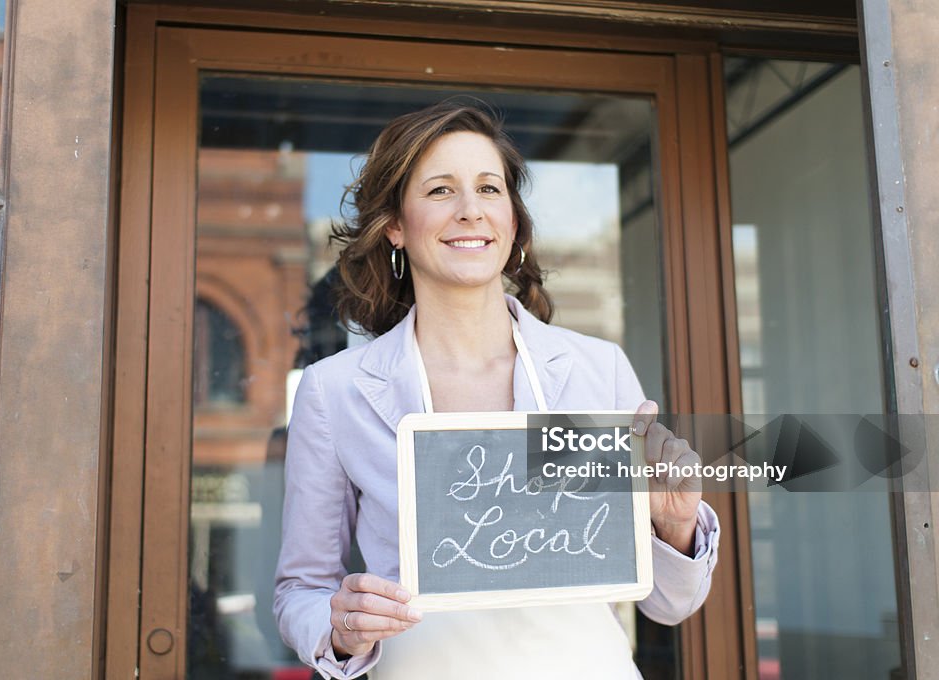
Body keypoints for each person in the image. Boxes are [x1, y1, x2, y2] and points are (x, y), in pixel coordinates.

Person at [274, 101, 720, 679]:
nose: (470, 211)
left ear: (512, 221)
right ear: (395, 225)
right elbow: (300, 590)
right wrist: (339, 626)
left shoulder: (596, 370)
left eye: (489, 189)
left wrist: (673, 525)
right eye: (439, 191)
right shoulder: (335, 391)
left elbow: (670, 602)